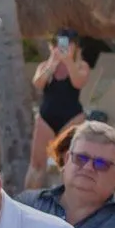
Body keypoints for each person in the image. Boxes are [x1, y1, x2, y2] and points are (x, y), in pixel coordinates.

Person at [27, 28, 91, 189]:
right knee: (37, 164)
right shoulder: (45, 66)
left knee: (69, 163)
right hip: (46, 116)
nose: (62, 47)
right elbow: (38, 83)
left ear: (75, 46)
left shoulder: (81, 66)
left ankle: (67, 198)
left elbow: (78, 82)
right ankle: (27, 198)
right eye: (58, 44)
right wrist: (53, 62)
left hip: (72, 116)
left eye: (67, 44)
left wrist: (68, 61)